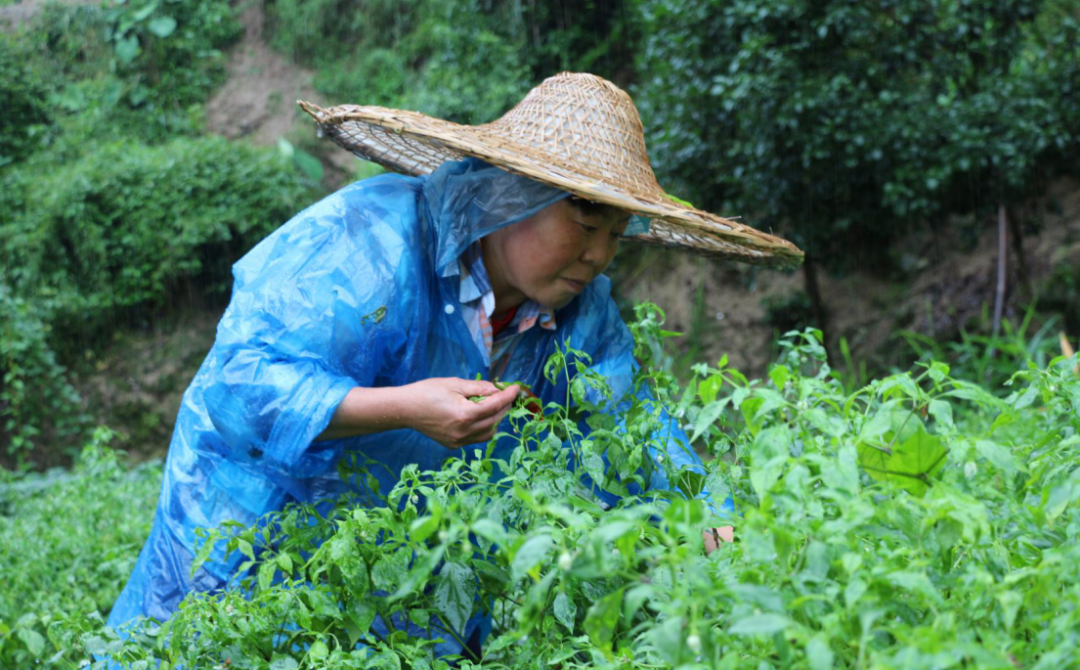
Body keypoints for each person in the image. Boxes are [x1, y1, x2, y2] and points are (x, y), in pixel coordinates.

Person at [107, 72, 803, 656]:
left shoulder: (581, 315)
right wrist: (406, 407)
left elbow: (639, 431)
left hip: (403, 558)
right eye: (586, 225)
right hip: (254, 522)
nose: (598, 255)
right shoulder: (368, 244)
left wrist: (723, 533)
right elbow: (240, 388)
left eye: (617, 234)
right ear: (512, 195)